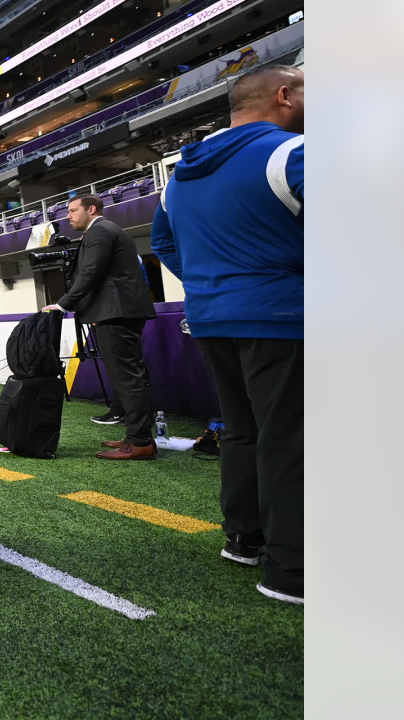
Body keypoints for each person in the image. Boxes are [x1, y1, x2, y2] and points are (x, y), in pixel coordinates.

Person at [150, 64, 304, 604]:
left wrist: (210, 282)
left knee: (243, 429)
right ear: (283, 96)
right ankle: (293, 569)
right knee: (291, 435)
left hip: (212, 318)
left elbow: (163, 243)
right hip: (283, 317)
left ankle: (243, 538)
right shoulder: (292, 153)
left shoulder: (180, 176)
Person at [42, 194, 157, 460]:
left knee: (127, 379)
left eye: (73, 210)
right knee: (127, 377)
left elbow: (91, 273)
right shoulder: (104, 231)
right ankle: (135, 436)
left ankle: (140, 441)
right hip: (116, 311)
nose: (68, 216)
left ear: (91, 209)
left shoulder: (101, 231)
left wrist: (63, 305)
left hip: (117, 313)